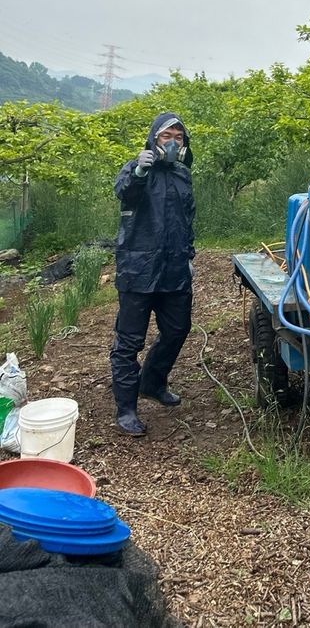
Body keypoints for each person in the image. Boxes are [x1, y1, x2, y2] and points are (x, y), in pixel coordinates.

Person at [110, 113, 195, 436]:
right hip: (138, 269)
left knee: (177, 329)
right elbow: (125, 194)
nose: (172, 142)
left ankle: (153, 382)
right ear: (153, 140)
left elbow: (188, 218)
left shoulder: (183, 174)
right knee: (129, 340)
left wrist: (189, 256)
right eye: (166, 136)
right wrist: (140, 171)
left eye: (178, 137)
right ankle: (126, 407)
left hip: (174, 269)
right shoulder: (135, 169)